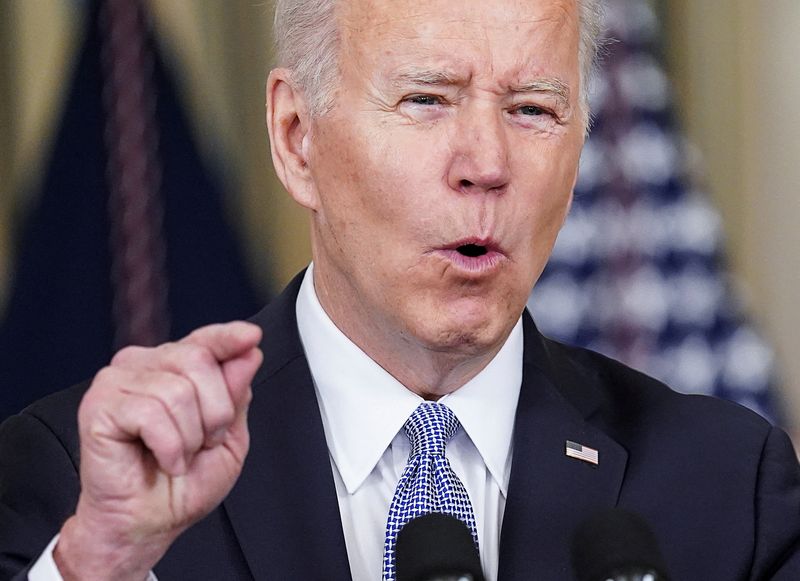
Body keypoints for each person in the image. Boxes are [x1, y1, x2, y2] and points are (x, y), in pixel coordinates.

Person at [1, 0, 799, 579]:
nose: (486, 162)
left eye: (533, 108)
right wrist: (100, 560)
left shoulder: (730, 485)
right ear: (296, 137)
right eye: (426, 100)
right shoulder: (83, 482)